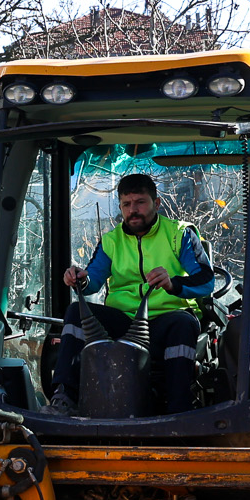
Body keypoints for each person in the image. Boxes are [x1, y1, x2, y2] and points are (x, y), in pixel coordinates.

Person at [46, 172, 214, 416]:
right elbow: (93, 280)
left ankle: (179, 409)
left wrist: (172, 284)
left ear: (156, 203)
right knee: (75, 312)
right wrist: (80, 279)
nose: (133, 210)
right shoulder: (111, 241)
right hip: (123, 320)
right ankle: (64, 398)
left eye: (140, 202)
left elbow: (206, 281)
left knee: (183, 322)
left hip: (166, 318)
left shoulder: (180, 234)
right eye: (127, 204)